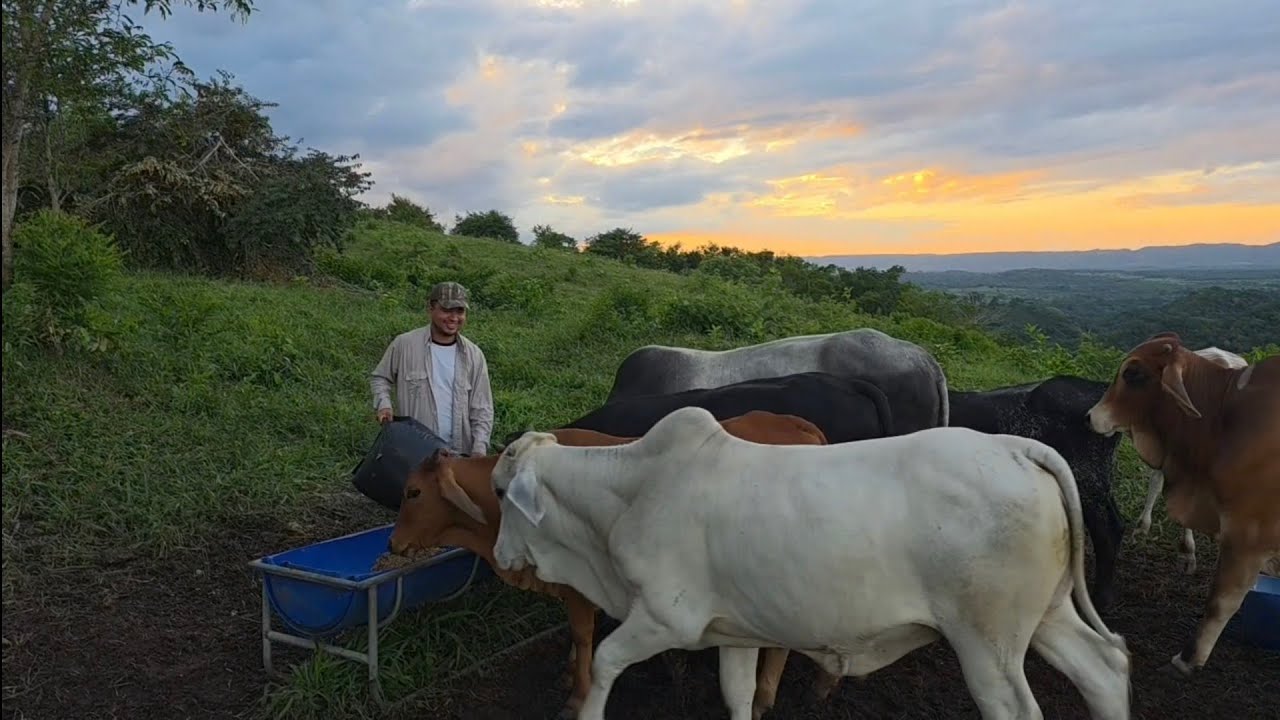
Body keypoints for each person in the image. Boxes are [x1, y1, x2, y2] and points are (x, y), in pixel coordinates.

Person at [369, 281, 494, 456]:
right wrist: (384, 405)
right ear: (430, 308)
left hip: (458, 455)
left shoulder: (474, 355)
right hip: (414, 451)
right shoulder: (405, 345)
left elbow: (482, 408)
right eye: (446, 310)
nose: (453, 317)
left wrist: (479, 448)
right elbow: (380, 378)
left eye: (460, 311)